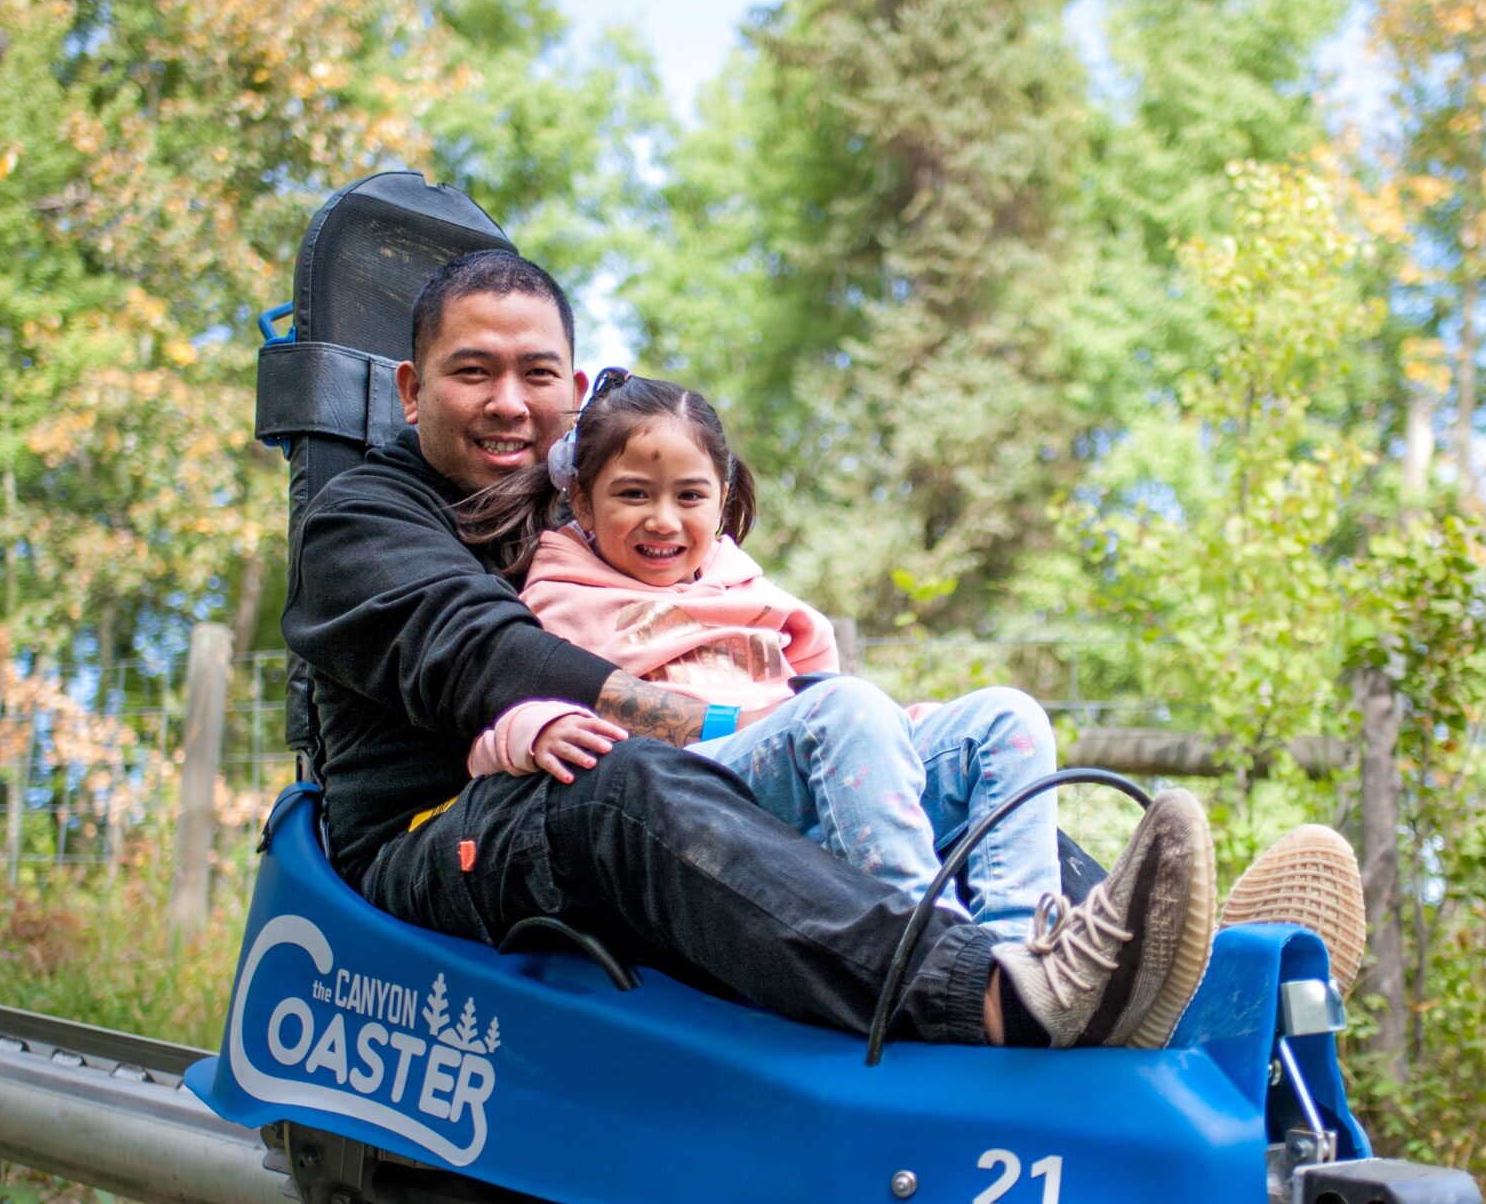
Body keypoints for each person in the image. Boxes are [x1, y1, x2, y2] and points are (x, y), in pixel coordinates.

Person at [282, 248, 1218, 1050]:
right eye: (472, 372)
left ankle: (1186, 972)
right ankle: (979, 991)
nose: (508, 404)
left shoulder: (597, 509)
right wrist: (756, 723)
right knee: (627, 778)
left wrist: (856, 727)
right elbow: (489, 662)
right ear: (411, 391)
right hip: (438, 835)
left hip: (618, 780)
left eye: (536, 374)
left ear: (575, 391)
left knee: (958, 743)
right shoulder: (362, 519)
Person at [454, 368, 1065, 941]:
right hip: (692, 798)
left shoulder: (749, 592)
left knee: (1005, 718)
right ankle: (926, 943)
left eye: (689, 496)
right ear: (583, 503)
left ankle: (1019, 942)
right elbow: (500, 724)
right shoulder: (564, 597)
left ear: (721, 501)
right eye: (634, 495)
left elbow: (823, 708)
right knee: (845, 706)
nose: (663, 520)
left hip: (814, 778)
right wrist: (535, 730)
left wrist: (898, 731)